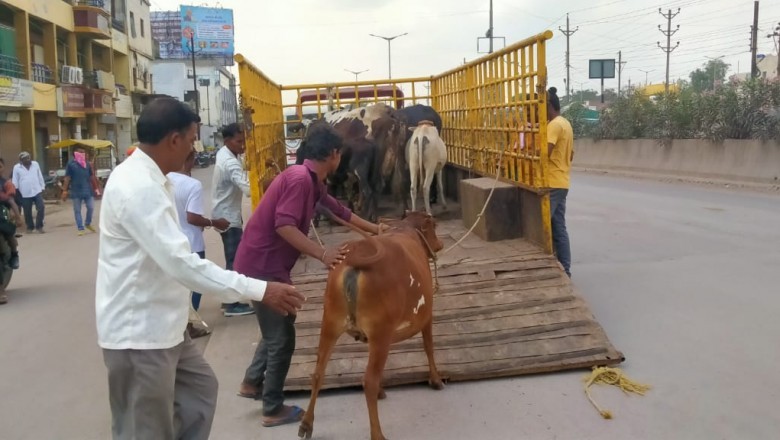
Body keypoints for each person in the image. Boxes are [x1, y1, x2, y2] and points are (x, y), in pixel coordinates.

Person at [96, 97, 305, 440]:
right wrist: (260, 289)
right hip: (140, 336)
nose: (194, 148)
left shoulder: (155, 179)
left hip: (166, 327)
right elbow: (182, 264)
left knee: (200, 392)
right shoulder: (138, 189)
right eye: (192, 139)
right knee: (144, 430)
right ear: (173, 140)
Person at [233, 123, 383, 427]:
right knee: (283, 338)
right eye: (339, 153)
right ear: (334, 154)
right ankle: (272, 408)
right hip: (261, 267)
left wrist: (376, 230)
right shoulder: (300, 180)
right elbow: (284, 225)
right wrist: (323, 253)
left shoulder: (311, 180)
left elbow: (338, 211)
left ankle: (251, 382)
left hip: (264, 264)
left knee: (279, 324)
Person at [167, 149, 231, 339]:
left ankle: (178, 323)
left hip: (171, 240)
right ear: (191, 159)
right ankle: (187, 325)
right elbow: (193, 217)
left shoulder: (164, 179)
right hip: (192, 242)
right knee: (196, 284)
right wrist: (214, 223)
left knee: (179, 285)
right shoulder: (192, 185)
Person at [211, 123, 254, 317]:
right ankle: (231, 303)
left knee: (233, 258)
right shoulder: (229, 162)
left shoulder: (226, 154)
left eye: (244, 140)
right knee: (234, 260)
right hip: (228, 218)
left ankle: (229, 300)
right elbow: (248, 189)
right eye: (239, 141)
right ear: (227, 141)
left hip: (225, 212)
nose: (243, 145)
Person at [546, 87, 574, 277]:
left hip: (552, 181)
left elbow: (544, 153)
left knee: (543, 225)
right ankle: (566, 268)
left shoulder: (554, 125)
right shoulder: (566, 124)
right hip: (562, 181)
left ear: (548, 106)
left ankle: (549, 266)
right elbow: (570, 154)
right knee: (559, 227)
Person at [61, 147, 96, 235]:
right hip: (76, 191)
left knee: (91, 207)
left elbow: (92, 177)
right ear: (76, 155)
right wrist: (65, 191)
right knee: (77, 210)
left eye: (84, 153)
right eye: (81, 153)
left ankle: (87, 223)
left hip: (88, 190)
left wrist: (96, 188)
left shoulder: (87, 164)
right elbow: (67, 178)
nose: (84, 154)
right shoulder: (71, 164)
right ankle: (80, 228)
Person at [12, 151, 45, 234]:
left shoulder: (35, 164)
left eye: (29, 157)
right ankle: (30, 227)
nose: (28, 160)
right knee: (27, 211)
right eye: (25, 159)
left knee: (41, 207)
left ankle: (39, 226)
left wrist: (42, 187)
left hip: (37, 190)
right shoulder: (17, 168)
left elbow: (39, 176)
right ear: (21, 160)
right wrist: (16, 192)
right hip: (24, 193)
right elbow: (15, 180)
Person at [0, 158, 23, 271]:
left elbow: (11, 202)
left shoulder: (6, 183)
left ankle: (14, 255)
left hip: (3, 213)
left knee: (8, 232)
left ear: (3, 168)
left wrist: (18, 218)